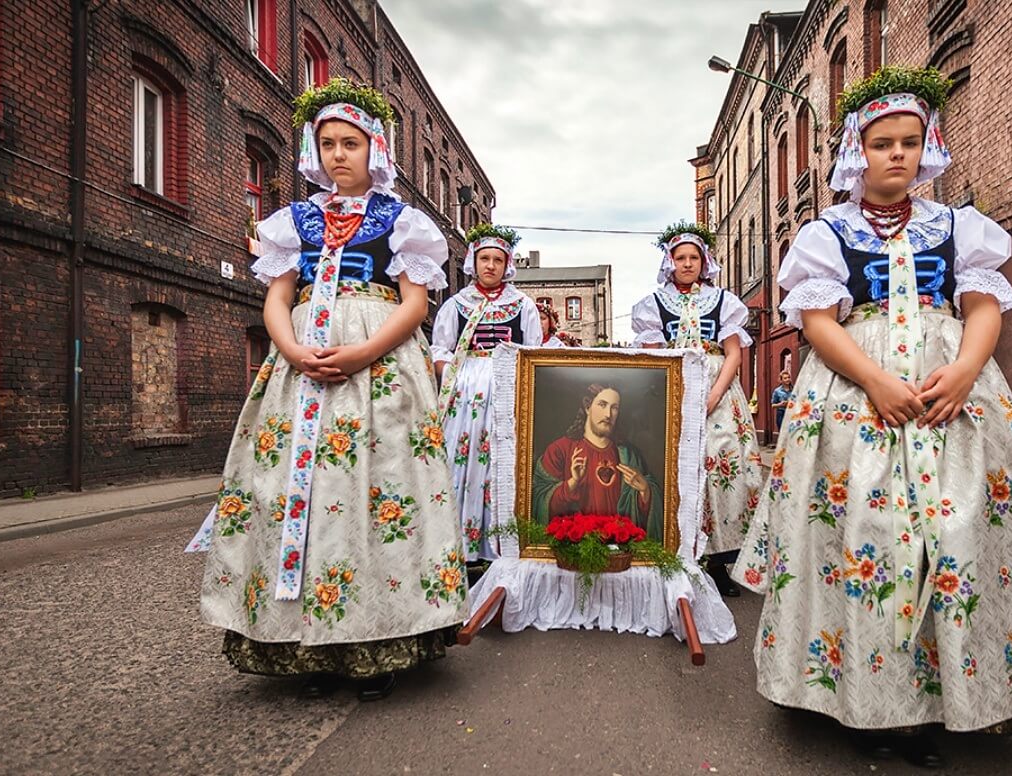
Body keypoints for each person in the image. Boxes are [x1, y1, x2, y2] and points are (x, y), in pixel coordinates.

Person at [735, 67, 1012, 767]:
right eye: (884, 143)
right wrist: (877, 379)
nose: (899, 155)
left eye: (910, 142)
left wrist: (968, 369)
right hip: (857, 398)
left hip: (952, 398)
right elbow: (819, 321)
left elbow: (981, 307)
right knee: (870, 540)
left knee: (957, 536)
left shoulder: (959, 227)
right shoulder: (827, 235)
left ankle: (958, 695)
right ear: (859, 149)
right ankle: (875, 703)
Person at [196, 79, 467, 702]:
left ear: (375, 150)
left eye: (350, 142)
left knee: (378, 491)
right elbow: (277, 297)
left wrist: (365, 351)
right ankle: (301, 644)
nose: (338, 154)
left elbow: (415, 303)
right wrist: (290, 350)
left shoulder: (402, 222)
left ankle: (377, 641)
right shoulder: (292, 223)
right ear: (312, 152)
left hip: (378, 368)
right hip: (303, 367)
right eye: (327, 144)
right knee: (301, 491)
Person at [631, 221, 762, 597]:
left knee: (724, 469)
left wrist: (715, 394)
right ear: (670, 262)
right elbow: (652, 355)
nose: (687, 264)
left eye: (694, 257)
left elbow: (735, 353)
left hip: (720, 391)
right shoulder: (654, 304)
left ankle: (719, 560)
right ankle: (683, 554)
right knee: (679, 471)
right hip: (676, 386)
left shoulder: (723, 301)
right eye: (680, 257)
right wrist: (672, 395)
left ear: (704, 262)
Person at [431, 224, 542, 563]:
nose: (490, 266)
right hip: (466, 396)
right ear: (474, 262)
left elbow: (533, 353)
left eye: (497, 259)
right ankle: (459, 541)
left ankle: (504, 542)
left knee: (503, 461)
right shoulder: (456, 304)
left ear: (507, 264)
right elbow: (440, 350)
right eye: (484, 259)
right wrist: (458, 380)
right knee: (461, 459)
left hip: (508, 390)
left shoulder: (523, 306)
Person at [532, 383, 663, 544]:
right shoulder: (559, 450)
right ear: (587, 407)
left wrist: (645, 491)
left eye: (614, 408)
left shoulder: (629, 455)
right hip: (576, 550)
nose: (608, 414)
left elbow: (643, 516)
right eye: (602, 405)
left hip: (618, 549)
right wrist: (572, 483)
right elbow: (539, 503)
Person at [770, 370, 794, 440]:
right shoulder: (777, 391)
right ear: (781, 380)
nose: (787, 379)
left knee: (792, 432)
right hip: (781, 413)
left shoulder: (794, 389)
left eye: (788, 377)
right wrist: (780, 404)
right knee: (782, 433)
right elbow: (773, 405)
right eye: (785, 378)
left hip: (791, 412)